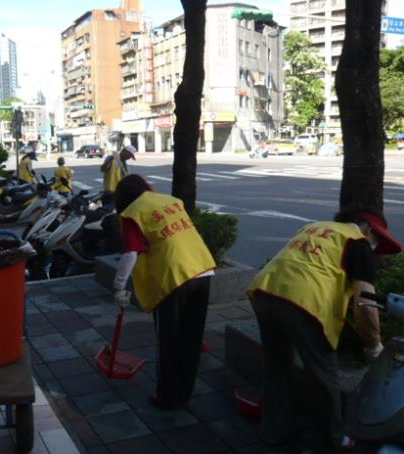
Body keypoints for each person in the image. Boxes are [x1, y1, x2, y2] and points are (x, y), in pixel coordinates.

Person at [247, 208, 403, 451]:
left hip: (264, 292)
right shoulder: (359, 243)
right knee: (324, 375)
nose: (376, 249)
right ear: (368, 229)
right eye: (378, 241)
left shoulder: (314, 228)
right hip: (302, 303)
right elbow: (365, 301)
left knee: (277, 366)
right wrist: (373, 345)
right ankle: (332, 440)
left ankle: (273, 431)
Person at [113, 174, 216, 410]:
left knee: (169, 342)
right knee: (191, 338)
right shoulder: (169, 201)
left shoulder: (132, 212)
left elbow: (130, 254)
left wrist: (118, 288)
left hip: (175, 278)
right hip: (202, 270)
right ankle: (184, 393)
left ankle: (168, 396)